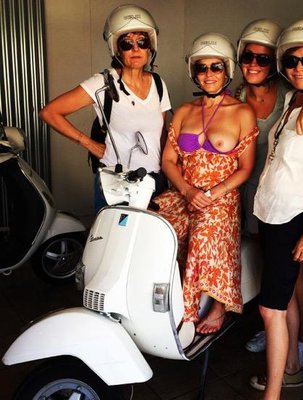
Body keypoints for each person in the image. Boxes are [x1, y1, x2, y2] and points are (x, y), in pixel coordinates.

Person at [235, 18, 303, 381]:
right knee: (278, 285)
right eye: (292, 61)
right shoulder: (287, 99)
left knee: (279, 295)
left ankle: (296, 352)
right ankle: (287, 352)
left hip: (293, 212)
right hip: (265, 203)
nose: (299, 67)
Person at [153, 33, 258, 335]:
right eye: (202, 67)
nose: (209, 74)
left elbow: (246, 168)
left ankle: (214, 307)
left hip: (221, 197)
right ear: (194, 72)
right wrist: (187, 190)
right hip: (183, 191)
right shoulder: (184, 111)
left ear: (227, 71)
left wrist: (211, 193)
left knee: (205, 233)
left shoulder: (242, 112)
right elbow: (168, 160)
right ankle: (162, 297)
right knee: (153, 224)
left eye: (216, 67)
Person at [39, 4, 171, 211]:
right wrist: (90, 145)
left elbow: (161, 133)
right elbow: (49, 112)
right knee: (114, 232)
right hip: (116, 183)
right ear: (116, 49)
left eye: (142, 41)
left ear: (150, 47)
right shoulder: (102, 83)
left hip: (152, 182)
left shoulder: (158, 83)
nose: (135, 49)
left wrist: (167, 170)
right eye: (126, 43)